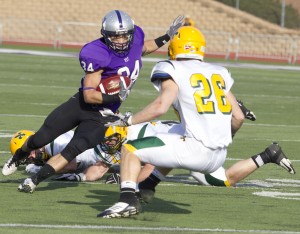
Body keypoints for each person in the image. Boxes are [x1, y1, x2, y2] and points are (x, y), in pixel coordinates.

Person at [97, 26, 295, 218]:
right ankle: (149, 185)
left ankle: (127, 200)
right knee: (175, 134)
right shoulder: (219, 71)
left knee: (130, 149)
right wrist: (222, 137)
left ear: (174, 47)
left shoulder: (170, 67)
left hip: (194, 151)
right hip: (218, 156)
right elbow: (238, 117)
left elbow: (160, 106)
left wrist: (127, 120)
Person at [6, 10, 185, 193]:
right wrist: (115, 97)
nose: (121, 41)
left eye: (125, 36)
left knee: (72, 150)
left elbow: (143, 48)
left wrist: (166, 37)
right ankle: (19, 155)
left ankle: (33, 181)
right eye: (115, 37)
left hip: (103, 115)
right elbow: (88, 95)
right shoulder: (97, 52)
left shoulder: (136, 37)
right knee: (41, 138)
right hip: (82, 106)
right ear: (105, 35)